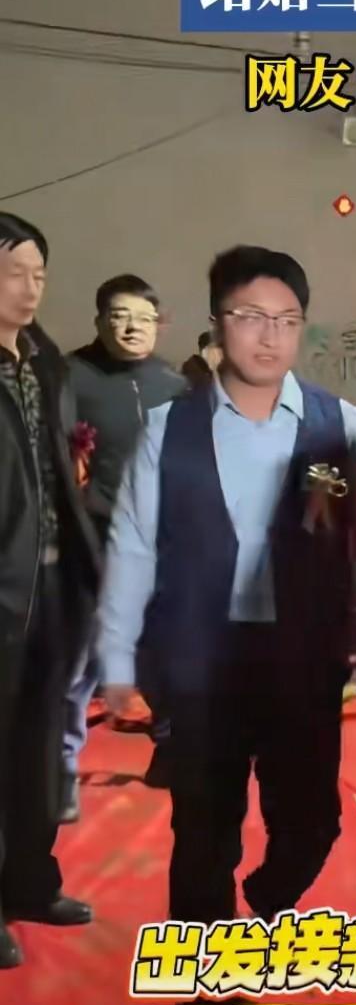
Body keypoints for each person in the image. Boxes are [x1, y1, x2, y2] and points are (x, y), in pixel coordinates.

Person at [97, 244, 356, 1005]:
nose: (268, 336)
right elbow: (132, 546)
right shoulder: (171, 430)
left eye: (285, 320)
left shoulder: (337, 426)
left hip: (302, 661)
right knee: (202, 839)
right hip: (201, 663)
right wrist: (118, 656)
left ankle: (266, 904)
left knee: (311, 826)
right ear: (217, 324)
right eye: (249, 317)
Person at [0, 213, 98, 970]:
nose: (29, 289)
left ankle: (31, 883)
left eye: (38, 274)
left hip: (53, 583)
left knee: (37, 749)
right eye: (13, 274)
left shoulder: (46, 363)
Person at [62, 275, 186, 819]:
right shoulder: (69, 378)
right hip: (91, 539)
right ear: (99, 322)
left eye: (143, 318)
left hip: (159, 543)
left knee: (165, 654)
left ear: (159, 325)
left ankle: (170, 749)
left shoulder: (172, 384)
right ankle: (59, 772)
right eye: (119, 316)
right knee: (80, 662)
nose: (132, 328)